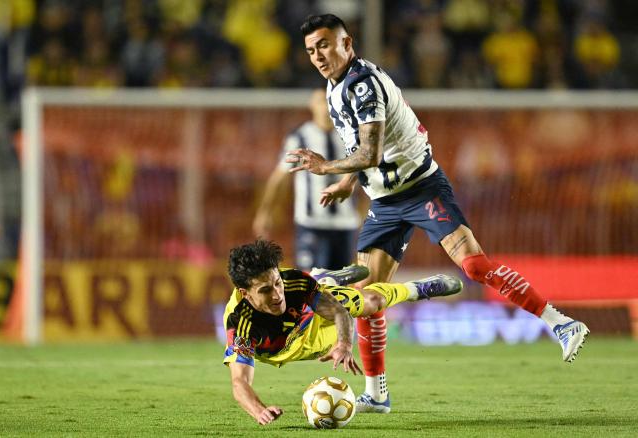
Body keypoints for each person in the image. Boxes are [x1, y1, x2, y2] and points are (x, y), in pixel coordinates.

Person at [289, 13, 590, 414]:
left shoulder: (363, 85)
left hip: (422, 188)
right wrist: (347, 182)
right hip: (384, 201)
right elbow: (362, 151)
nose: (319, 56)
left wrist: (326, 167)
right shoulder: (333, 87)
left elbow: (372, 151)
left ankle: (561, 322)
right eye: (312, 50)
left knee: (475, 266)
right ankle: (377, 394)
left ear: (348, 43)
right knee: (367, 297)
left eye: (325, 45)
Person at [223, 239, 462, 425]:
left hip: (313, 322)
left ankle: (416, 289)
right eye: (266, 290)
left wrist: (344, 345)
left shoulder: (294, 282)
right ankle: (325, 279)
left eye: (277, 283)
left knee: (372, 301)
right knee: (329, 292)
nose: (277, 295)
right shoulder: (240, 323)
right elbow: (239, 382)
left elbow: (339, 313)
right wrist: (259, 410)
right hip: (279, 351)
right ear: (245, 293)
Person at [253, 89, 360, 271]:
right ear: (312, 105)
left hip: (345, 222)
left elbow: (364, 174)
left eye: (329, 102)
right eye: (321, 102)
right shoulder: (300, 136)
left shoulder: (351, 134)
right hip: (311, 223)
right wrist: (265, 211)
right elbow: (280, 176)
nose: (325, 107)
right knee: (309, 282)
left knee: (339, 289)